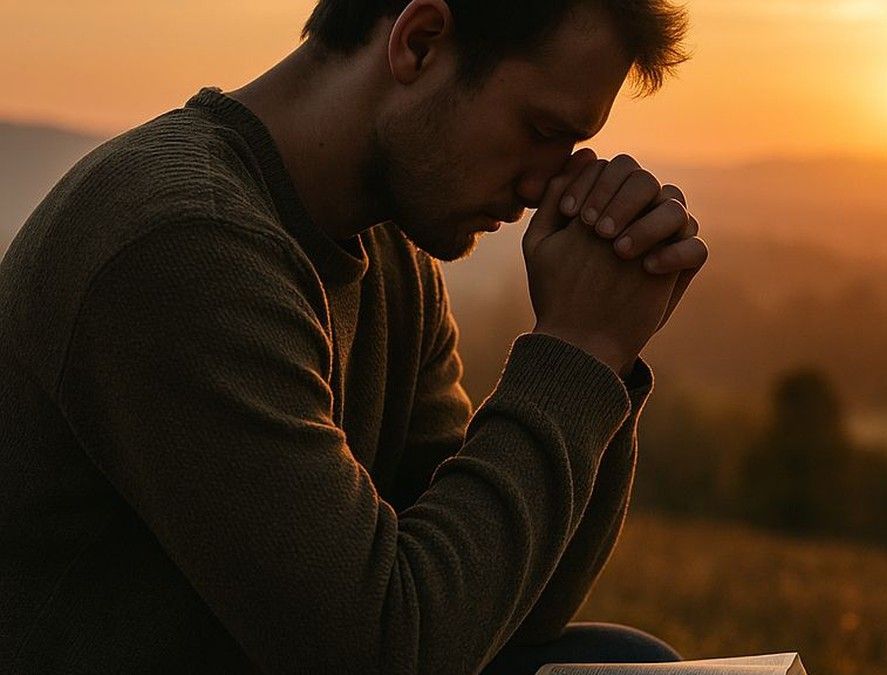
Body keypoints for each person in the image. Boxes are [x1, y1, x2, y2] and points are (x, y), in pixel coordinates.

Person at [0, 0, 708, 672]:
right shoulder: (183, 243)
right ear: (419, 41)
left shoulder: (395, 261)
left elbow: (501, 610)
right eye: (544, 130)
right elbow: (383, 654)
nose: (543, 185)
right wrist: (574, 352)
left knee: (621, 662)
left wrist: (604, 361)